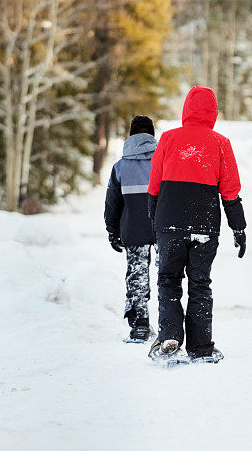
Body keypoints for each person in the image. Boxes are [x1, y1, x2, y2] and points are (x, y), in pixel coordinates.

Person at [147, 86, 246, 363]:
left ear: (186, 110)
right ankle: (201, 349)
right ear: (213, 113)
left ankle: (170, 336)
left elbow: (153, 186)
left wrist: (154, 223)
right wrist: (239, 228)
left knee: (168, 280)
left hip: (170, 224)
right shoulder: (220, 143)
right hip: (204, 225)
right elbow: (230, 190)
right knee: (200, 284)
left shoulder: (168, 139)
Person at [104, 116, 158, 342]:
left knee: (137, 277)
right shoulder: (163, 162)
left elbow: (112, 203)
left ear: (131, 135)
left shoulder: (120, 167)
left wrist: (112, 230)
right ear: (152, 135)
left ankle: (139, 326)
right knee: (168, 278)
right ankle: (170, 325)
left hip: (133, 230)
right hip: (162, 229)